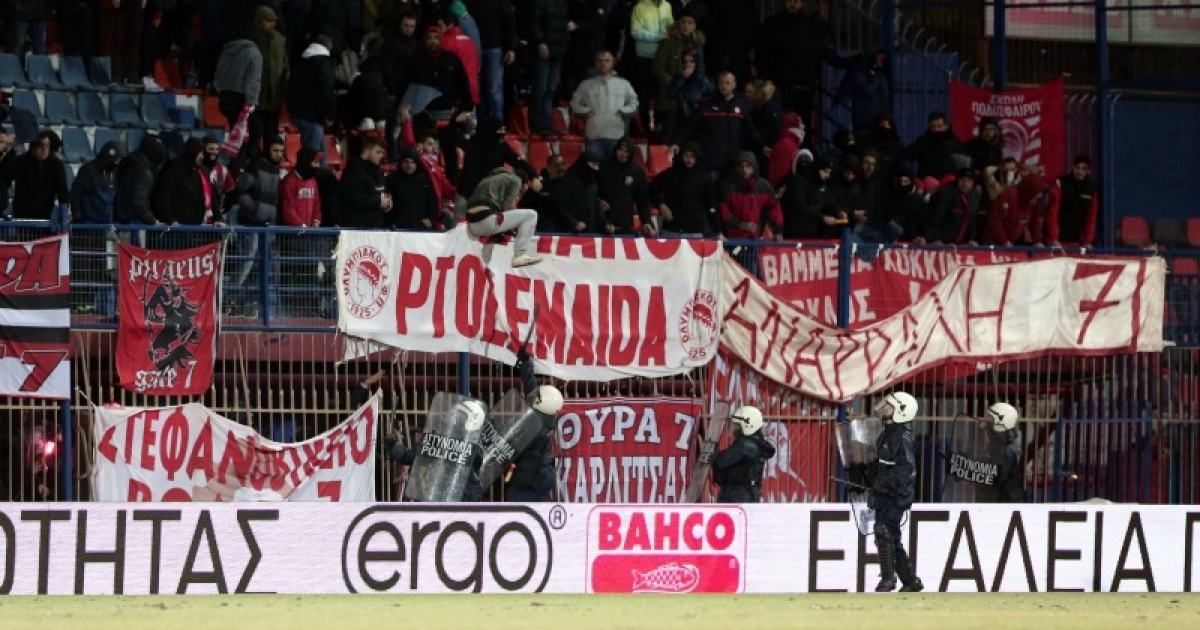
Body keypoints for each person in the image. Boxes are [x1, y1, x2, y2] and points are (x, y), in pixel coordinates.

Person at [869, 391, 924, 593]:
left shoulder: (901, 437)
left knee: (883, 530)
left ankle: (888, 579)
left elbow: (905, 470)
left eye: (890, 406)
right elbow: (883, 464)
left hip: (896, 495)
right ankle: (910, 581)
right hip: (885, 493)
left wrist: (883, 484)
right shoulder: (888, 433)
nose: (885, 408)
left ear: (901, 411)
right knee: (891, 537)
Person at [505, 346, 565, 501]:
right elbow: (532, 390)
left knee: (517, 505)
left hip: (532, 477)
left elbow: (514, 444)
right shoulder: (543, 414)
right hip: (535, 473)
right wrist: (525, 365)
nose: (530, 400)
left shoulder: (536, 428)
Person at [465, 167, 544, 267]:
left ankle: (483, 268)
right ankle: (520, 254)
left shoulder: (487, 179)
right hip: (487, 220)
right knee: (531, 215)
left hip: (472, 225)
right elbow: (507, 208)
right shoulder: (516, 180)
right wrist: (515, 226)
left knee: (493, 235)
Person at [570, 50, 640, 158]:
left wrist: (622, 112)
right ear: (595, 63)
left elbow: (634, 103)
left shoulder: (623, 84)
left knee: (614, 167)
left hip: (617, 135)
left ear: (613, 62)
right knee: (594, 166)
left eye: (607, 61)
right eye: (600, 61)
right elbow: (574, 104)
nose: (603, 64)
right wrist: (586, 112)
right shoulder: (586, 85)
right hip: (594, 136)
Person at [712, 406, 776, 503]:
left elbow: (720, 461)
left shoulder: (745, 446)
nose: (732, 427)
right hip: (746, 494)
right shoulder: (753, 443)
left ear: (747, 425)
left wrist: (710, 454)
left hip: (738, 497)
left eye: (736, 424)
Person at [987, 402, 1024, 503]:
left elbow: (1000, 476)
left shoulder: (1008, 450)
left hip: (1008, 500)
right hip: (1002, 497)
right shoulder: (999, 447)